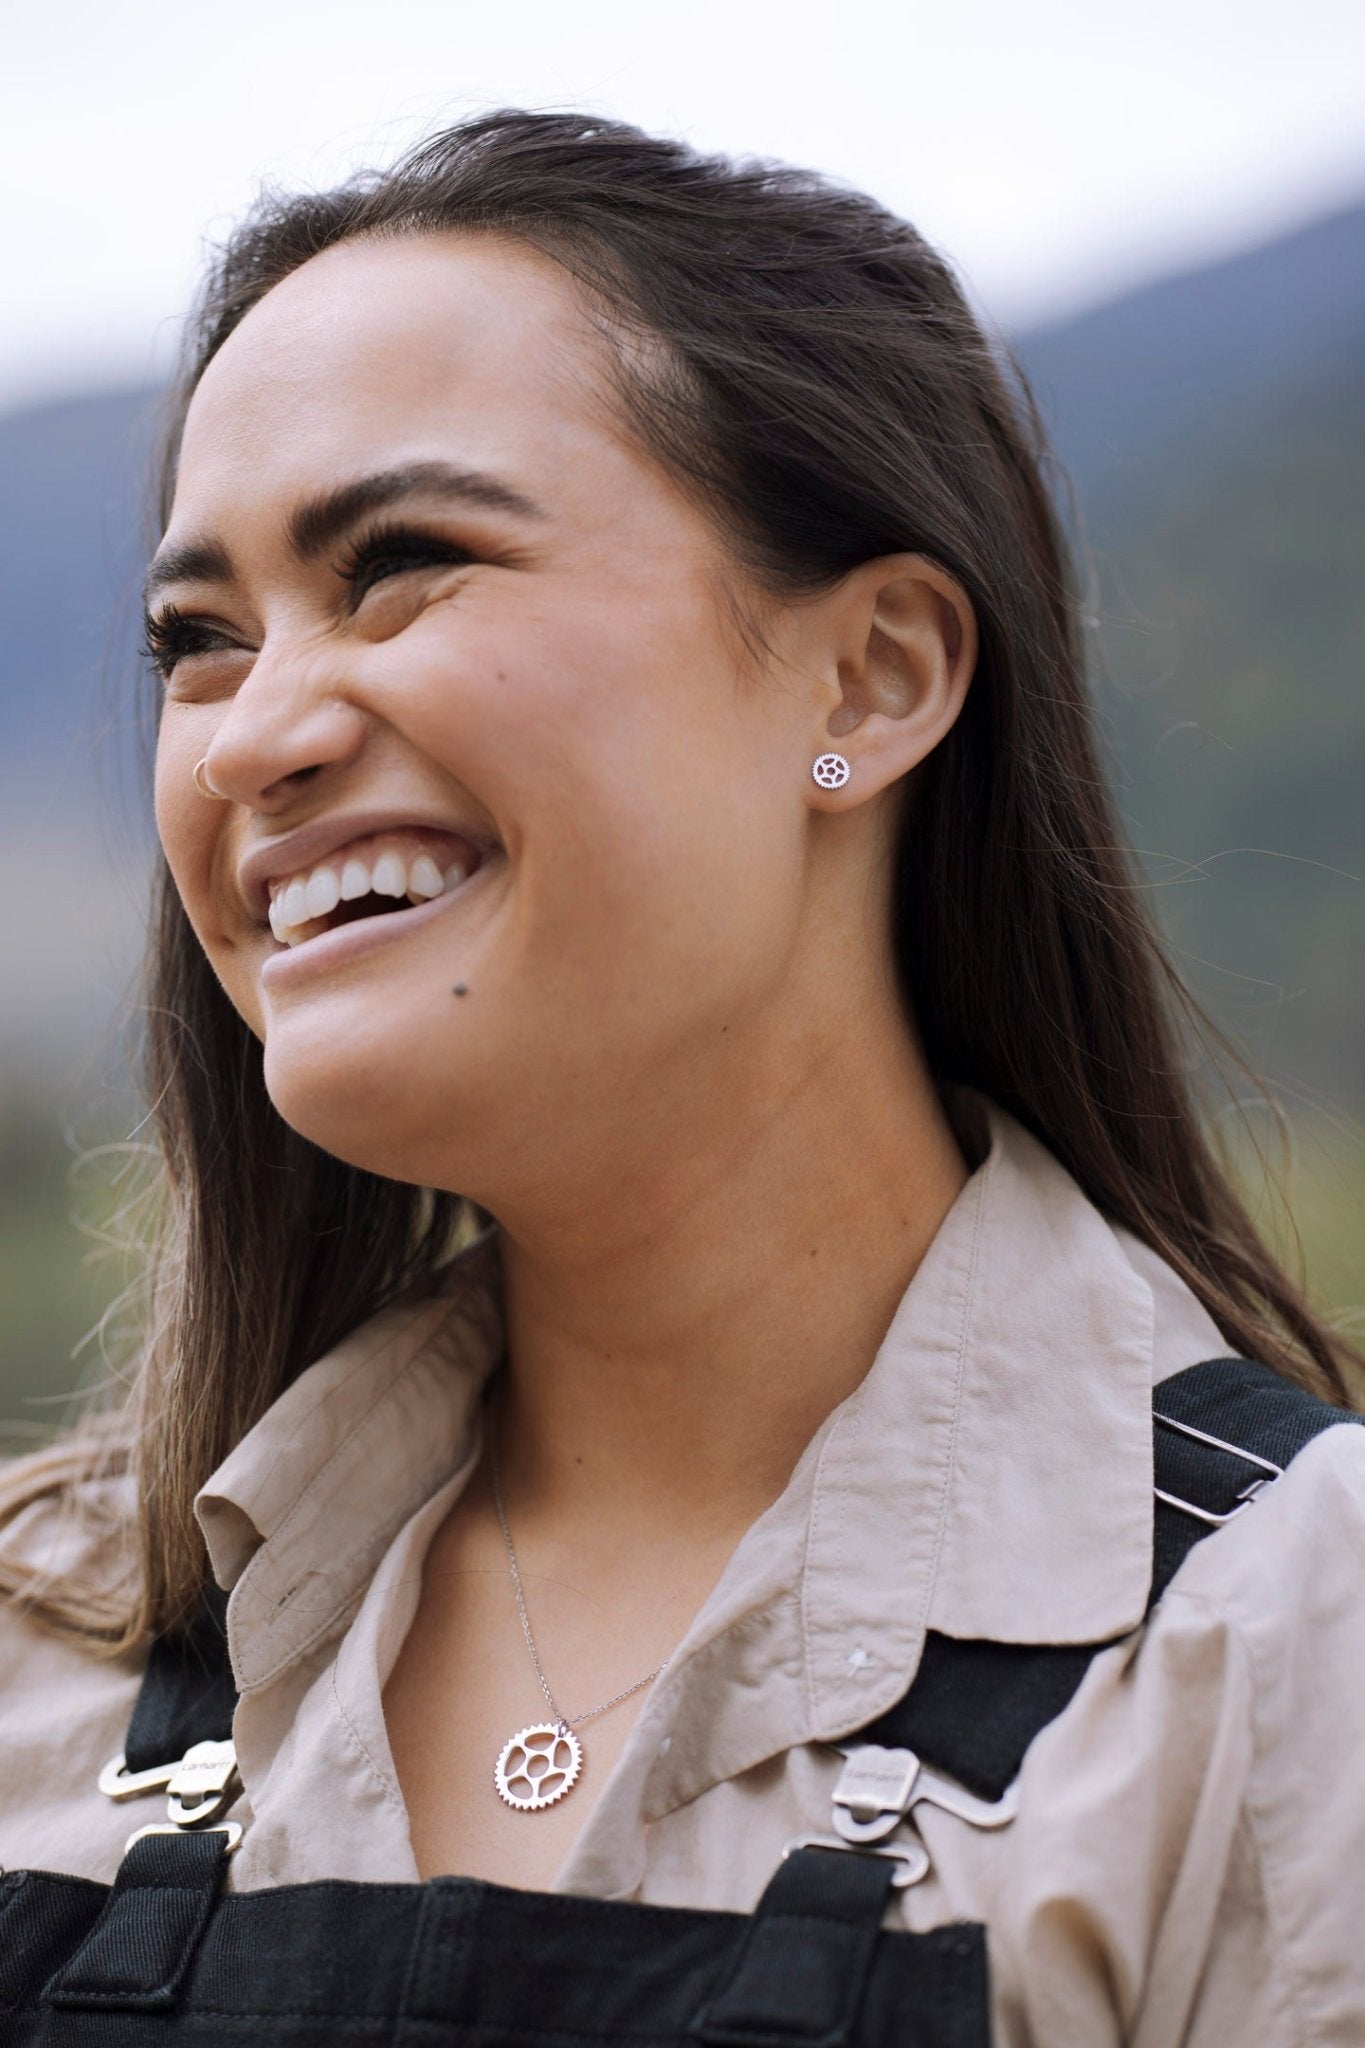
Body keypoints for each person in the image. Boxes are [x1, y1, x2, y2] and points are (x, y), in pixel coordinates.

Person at [0, 110, 1361, 2048]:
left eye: (404, 566)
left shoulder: (1287, 1664)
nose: (253, 737)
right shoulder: (40, 1641)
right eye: (199, 641)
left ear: (870, 675)